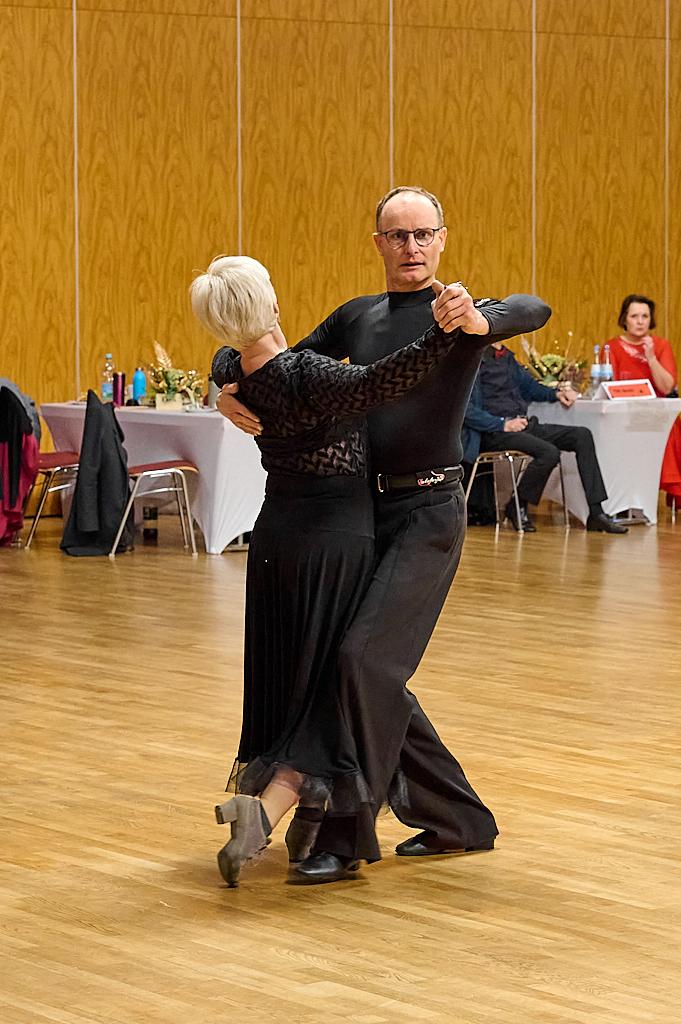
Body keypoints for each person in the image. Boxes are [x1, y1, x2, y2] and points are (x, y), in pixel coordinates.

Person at [216, 186, 552, 884]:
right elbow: (274, 358)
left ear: (441, 238)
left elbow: (534, 308)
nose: (411, 247)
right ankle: (459, 819)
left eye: (423, 233)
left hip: (427, 516)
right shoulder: (358, 315)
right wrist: (222, 383)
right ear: (378, 244)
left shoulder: (459, 316)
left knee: (362, 663)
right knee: (367, 672)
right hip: (361, 514)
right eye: (397, 235)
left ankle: (342, 835)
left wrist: (480, 318)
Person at [191, 254, 493, 887]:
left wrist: (221, 377)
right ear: (271, 304)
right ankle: (286, 807)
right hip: (333, 544)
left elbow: (238, 357)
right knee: (348, 672)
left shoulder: (246, 375)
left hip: (277, 543)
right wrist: (445, 331)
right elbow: (386, 380)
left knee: (347, 673)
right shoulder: (311, 374)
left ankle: (446, 818)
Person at [462, 342, 628, 533]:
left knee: (581, 435)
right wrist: (502, 424)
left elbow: (531, 388)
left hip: (521, 425)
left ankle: (596, 513)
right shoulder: (472, 359)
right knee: (549, 452)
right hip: (493, 431)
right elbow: (465, 409)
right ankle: (518, 505)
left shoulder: (507, 357)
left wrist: (557, 394)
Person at [604, 294, 681, 504]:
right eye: (634, 316)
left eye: (645, 316)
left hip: (657, 411)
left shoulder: (661, 345)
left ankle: (669, 490)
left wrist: (651, 357)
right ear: (625, 319)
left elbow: (667, 387)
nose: (640, 321)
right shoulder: (611, 347)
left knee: (669, 429)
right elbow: (609, 386)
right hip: (624, 412)